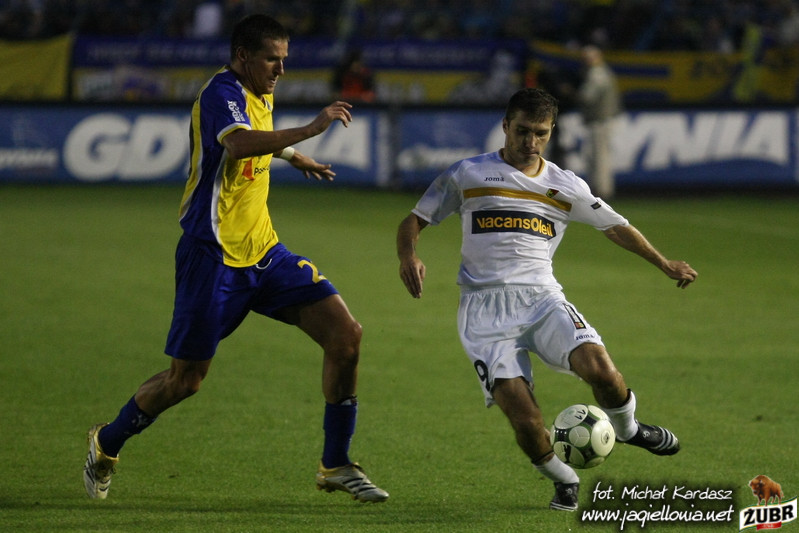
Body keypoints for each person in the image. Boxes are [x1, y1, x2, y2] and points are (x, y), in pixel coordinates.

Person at [83, 14, 388, 503]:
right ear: (243, 56)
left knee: (346, 336)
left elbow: (255, 133)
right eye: (272, 59)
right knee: (185, 381)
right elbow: (239, 142)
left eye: (284, 60)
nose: (281, 70)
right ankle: (107, 442)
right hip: (213, 257)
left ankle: (335, 463)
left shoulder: (260, 90)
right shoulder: (220, 93)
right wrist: (311, 130)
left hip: (264, 251)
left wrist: (292, 158)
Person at [396, 88, 697, 511]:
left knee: (603, 371)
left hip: (542, 299)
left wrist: (663, 263)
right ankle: (564, 478)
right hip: (484, 311)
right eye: (522, 131)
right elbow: (415, 219)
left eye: (541, 133)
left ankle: (628, 429)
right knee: (524, 417)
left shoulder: (565, 184)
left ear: (552, 131)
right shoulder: (468, 174)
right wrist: (408, 255)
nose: (530, 142)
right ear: (505, 125)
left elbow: (615, 227)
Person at [577, 45, 621, 199]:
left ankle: (602, 191)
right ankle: (599, 189)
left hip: (600, 120)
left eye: (588, 58)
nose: (585, 61)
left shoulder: (597, 73)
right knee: (596, 156)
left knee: (599, 157)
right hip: (601, 119)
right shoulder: (602, 71)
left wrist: (571, 92)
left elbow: (587, 96)